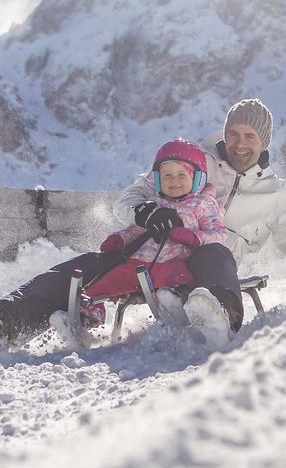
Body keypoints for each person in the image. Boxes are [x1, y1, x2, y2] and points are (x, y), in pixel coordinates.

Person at [114, 99, 286, 311]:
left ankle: (221, 313)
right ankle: (82, 304)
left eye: (250, 136)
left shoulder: (275, 194)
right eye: (233, 134)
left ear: (263, 141)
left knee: (214, 253)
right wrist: (145, 212)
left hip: (214, 272)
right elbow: (129, 199)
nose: (240, 144)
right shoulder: (195, 162)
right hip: (160, 259)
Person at [0, 139, 244, 345]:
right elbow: (131, 220)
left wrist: (194, 237)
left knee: (177, 279)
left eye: (182, 175)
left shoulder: (204, 202)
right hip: (137, 261)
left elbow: (218, 234)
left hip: (187, 263)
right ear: (157, 179)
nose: (174, 181)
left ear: (199, 179)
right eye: (167, 176)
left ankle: (203, 312)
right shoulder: (154, 197)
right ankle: (66, 319)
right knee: (94, 278)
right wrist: (122, 236)